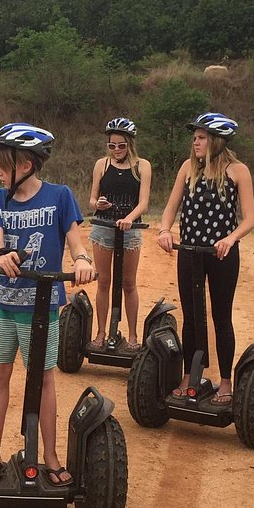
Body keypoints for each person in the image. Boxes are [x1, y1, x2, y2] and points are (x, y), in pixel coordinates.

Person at [0, 123, 96, 486]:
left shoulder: (60, 196)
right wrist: (0, 256)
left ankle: (50, 455)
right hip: (2, 302)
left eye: (3, 164)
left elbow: (75, 239)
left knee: (44, 379)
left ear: (26, 165)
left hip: (42, 307)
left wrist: (81, 260)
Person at [155, 112, 254, 406]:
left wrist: (230, 238)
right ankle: (191, 376)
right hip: (189, 252)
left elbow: (250, 218)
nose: (195, 142)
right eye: (195, 137)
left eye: (201, 137)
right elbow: (170, 207)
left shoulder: (238, 171)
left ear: (216, 140)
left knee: (221, 317)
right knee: (190, 316)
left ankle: (225, 381)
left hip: (222, 254)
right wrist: (164, 230)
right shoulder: (188, 168)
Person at [87, 116, 152, 350]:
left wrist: (129, 219)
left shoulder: (142, 166)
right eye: (112, 145)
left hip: (130, 230)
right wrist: (98, 204)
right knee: (103, 281)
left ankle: (133, 335)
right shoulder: (101, 165)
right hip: (103, 228)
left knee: (129, 283)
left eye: (121, 145)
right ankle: (101, 332)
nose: (116, 150)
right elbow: (92, 198)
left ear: (130, 144)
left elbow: (144, 202)